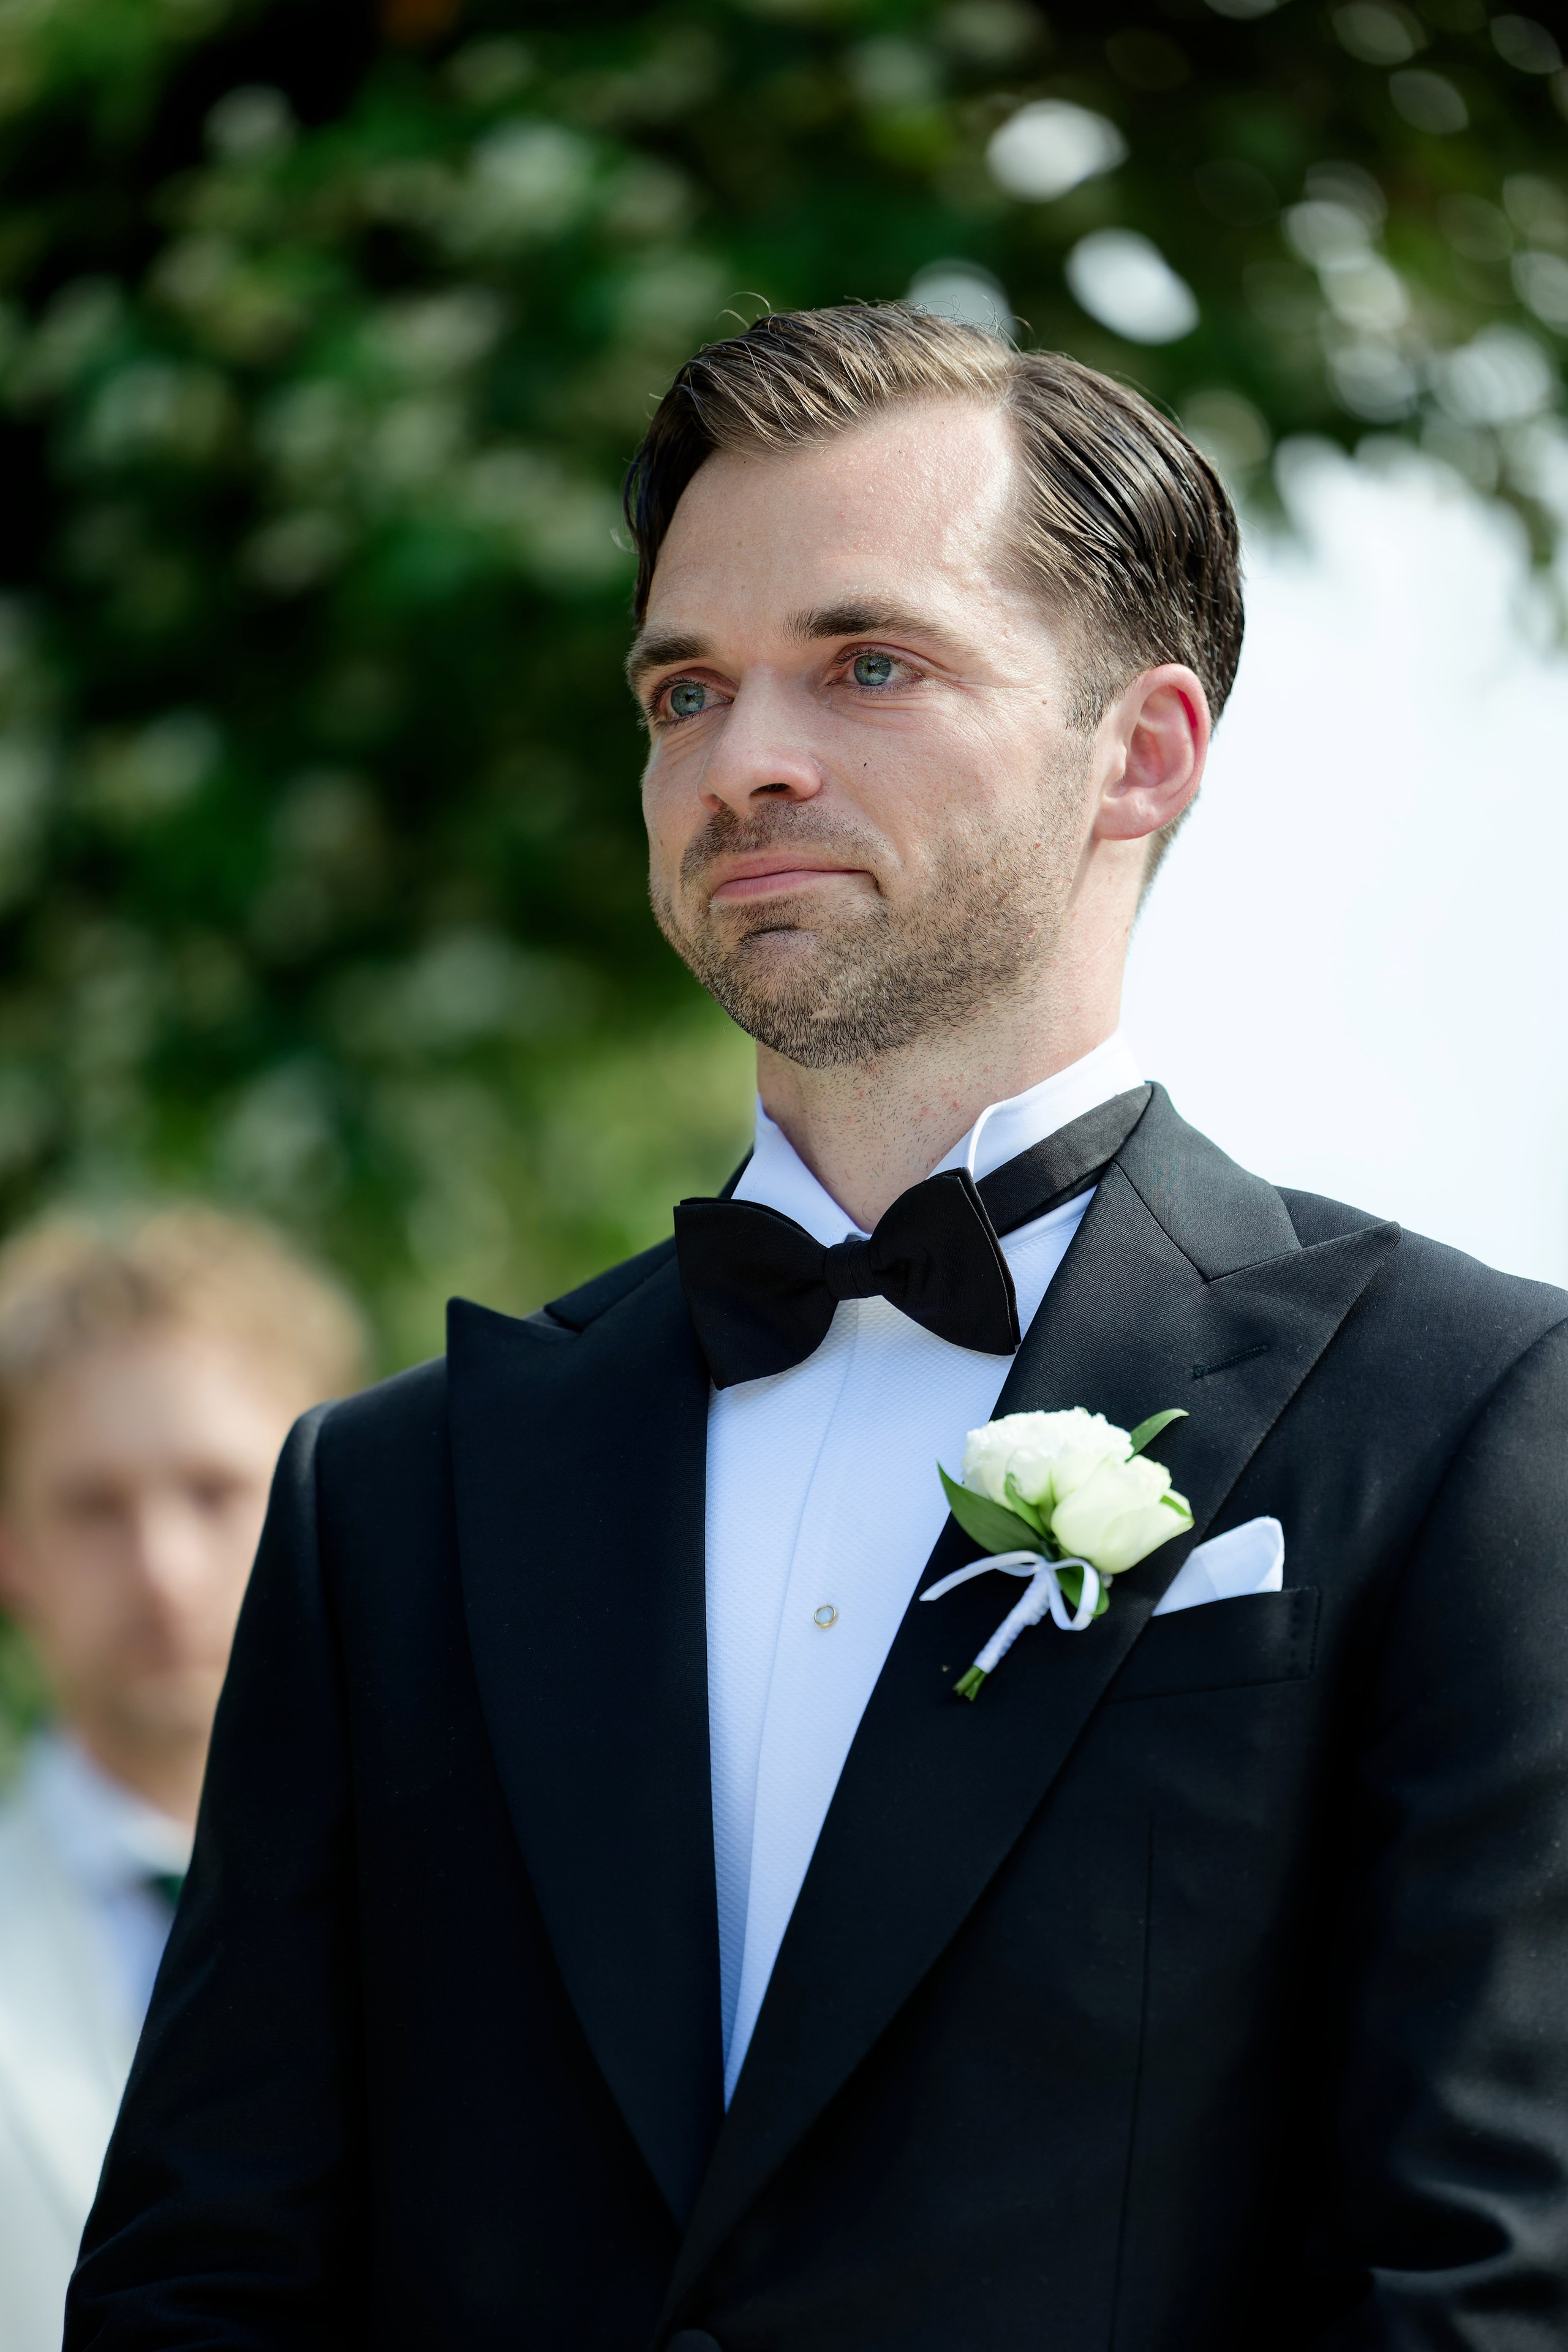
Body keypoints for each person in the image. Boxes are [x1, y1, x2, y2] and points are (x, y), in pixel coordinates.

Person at [67, 307, 1568, 2350]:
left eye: (868, 663)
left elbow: (1480, 2289)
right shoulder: (394, 1495)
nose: (741, 758)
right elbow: (205, 2278)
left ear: (1141, 751)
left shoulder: (1468, 1420)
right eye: (686, 689)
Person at [0, 1209, 363, 2351]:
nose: (163, 1570)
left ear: (344, 1501)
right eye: (94, 1506)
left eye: (214, 1491)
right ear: (12, 1546)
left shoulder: (494, 1898)